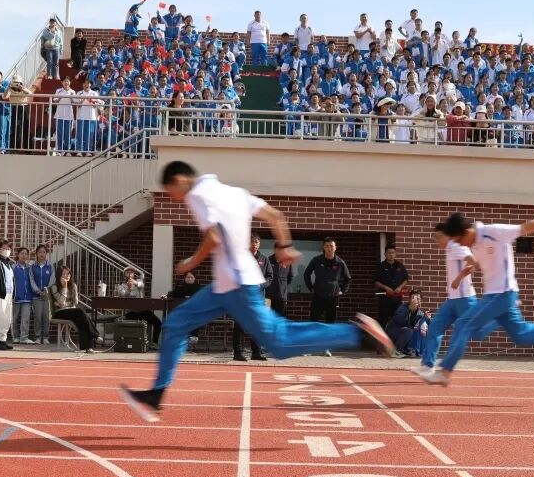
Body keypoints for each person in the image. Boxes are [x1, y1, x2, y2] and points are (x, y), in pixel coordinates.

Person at [119, 162, 395, 421]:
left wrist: (192, 262)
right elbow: (275, 216)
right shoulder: (234, 193)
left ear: (179, 180)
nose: (175, 199)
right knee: (177, 323)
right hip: (224, 286)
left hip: (238, 284)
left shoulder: (198, 195)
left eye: (171, 192)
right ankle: (156, 394)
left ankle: (358, 334)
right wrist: (285, 246)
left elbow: (214, 235)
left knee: (279, 342)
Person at [419, 210, 534, 386]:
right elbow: (476, 264)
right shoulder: (474, 244)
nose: (459, 245)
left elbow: (525, 228)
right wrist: (460, 276)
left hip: (501, 293)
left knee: (464, 324)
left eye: (458, 240)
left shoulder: (494, 232)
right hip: (499, 297)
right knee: (521, 334)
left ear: (465, 232)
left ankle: (445, 372)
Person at [412, 225, 501, 377]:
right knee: (435, 329)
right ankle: (428, 365)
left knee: (477, 334)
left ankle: (500, 317)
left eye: (439, 237)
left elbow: (474, 263)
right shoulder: (449, 249)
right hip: (452, 301)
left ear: (448, 236)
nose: (437, 240)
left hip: (465, 299)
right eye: (435, 237)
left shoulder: (457, 247)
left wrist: (459, 278)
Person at [231, 235, 273, 361]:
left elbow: (270, 276)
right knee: (240, 325)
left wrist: (261, 285)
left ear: (259, 244)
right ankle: (238, 353)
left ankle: (256, 352)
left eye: (256, 242)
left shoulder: (264, 259)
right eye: (252, 242)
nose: (254, 244)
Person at [49, 265, 101, 353]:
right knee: (80, 311)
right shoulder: (54, 287)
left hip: (72, 311)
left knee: (82, 321)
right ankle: (95, 335)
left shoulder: (73, 286)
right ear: (59, 276)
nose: (67, 276)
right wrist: (64, 287)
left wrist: (62, 303)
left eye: (68, 274)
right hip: (60, 312)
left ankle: (87, 348)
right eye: (64, 274)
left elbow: (75, 302)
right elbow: (62, 302)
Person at [116, 267, 162, 349]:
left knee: (158, 323)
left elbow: (142, 285)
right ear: (124, 274)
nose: (130, 274)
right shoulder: (121, 286)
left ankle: (154, 343)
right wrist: (129, 289)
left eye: (131, 272)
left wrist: (135, 283)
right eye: (128, 272)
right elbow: (124, 296)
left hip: (143, 311)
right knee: (128, 324)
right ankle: (131, 343)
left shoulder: (138, 281)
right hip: (131, 312)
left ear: (134, 274)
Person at [384, 291, 430, 357]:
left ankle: (409, 349)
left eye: (418, 299)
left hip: (404, 336)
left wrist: (427, 319)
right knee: (409, 330)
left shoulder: (420, 313)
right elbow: (399, 321)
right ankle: (396, 351)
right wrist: (409, 309)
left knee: (419, 328)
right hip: (393, 333)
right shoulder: (402, 307)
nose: (415, 300)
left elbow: (426, 327)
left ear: (421, 301)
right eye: (413, 298)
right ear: (409, 299)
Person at [374, 244, 410, 328]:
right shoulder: (380, 266)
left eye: (393, 253)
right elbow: (376, 282)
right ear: (385, 254)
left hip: (397, 298)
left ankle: (395, 335)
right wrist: (386, 288)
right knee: (383, 319)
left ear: (395, 254)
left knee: (397, 318)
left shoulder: (400, 266)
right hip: (384, 298)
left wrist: (400, 287)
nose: (391, 255)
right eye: (389, 253)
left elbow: (406, 279)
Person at [29, 245, 54, 344]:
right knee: (37, 317)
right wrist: (37, 291)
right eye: (39, 252)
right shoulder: (32, 267)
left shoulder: (50, 266)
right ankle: (38, 337)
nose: (42, 254)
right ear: (36, 254)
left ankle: (46, 337)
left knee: (46, 317)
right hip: (36, 296)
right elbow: (31, 280)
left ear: (46, 253)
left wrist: (46, 290)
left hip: (47, 297)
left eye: (44, 252)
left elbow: (52, 279)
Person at [11, 247, 36, 344]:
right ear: (18, 255)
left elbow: (32, 281)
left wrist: (36, 290)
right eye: (22, 253)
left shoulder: (29, 267)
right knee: (14, 318)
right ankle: (15, 337)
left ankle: (24, 337)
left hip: (27, 298)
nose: (24, 255)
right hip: (15, 297)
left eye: (26, 254)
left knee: (25, 319)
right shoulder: (13, 267)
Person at [265, 241, 294, 318]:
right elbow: (265, 276)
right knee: (268, 318)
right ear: (275, 249)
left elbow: (290, 277)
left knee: (281, 317)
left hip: (281, 296)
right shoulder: (268, 260)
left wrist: (282, 286)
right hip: (269, 296)